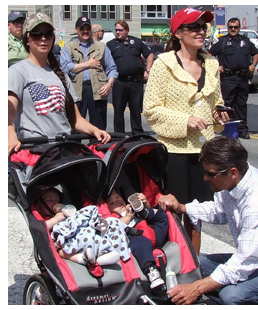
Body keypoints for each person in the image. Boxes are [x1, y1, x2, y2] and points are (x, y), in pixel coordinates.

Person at [143, 7, 230, 255]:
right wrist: (185, 120)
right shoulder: (164, 64)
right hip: (175, 151)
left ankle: (195, 266)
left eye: (203, 27)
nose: (201, 31)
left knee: (197, 214)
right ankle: (174, 265)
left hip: (205, 151)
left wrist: (219, 114)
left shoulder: (211, 63)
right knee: (173, 212)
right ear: (179, 33)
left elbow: (216, 103)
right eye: (194, 27)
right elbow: (151, 110)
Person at [158, 136, 258, 305]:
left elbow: (245, 261)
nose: (205, 178)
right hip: (250, 257)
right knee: (192, 264)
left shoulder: (254, 202)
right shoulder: (233, 182)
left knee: (231, 295)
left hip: (250, 259)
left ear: (233, 172)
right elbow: (218, 211)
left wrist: (197, 288)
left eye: (210, 174)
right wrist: (182, 207)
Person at [8, 13, 111, 156]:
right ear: (27, 39)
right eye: (37, 34)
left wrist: (95, 130)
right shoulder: (17, 71)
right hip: (35, 153)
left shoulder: (60, 74)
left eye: (48, 34)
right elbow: (8, 113)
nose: (43, 39)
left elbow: (75, 119)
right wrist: (10, 136)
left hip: (64, 151)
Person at [35, 187, 130, 267]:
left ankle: (103, 252)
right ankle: (81, 258)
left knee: (94, 230)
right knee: (61, 250)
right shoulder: (43, 220)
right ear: (39, 207)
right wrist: (55, 220)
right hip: (59, 240)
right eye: (50, 200)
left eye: (57, 201)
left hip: (74, 233)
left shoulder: (63, 214)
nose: (55, 203)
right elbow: (40, 229)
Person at [60, 17, 118, 130]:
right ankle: (75, 148)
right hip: (76, 91)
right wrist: (88, 64)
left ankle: (96, 147)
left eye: (87, 28)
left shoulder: (101, 47)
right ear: (76, 29)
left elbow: (112, 68)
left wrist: (109, 84)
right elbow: (65, 67)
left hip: (97, 91)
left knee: (98, 126)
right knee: (74, 125)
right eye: (82, 28)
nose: (85, 31)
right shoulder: (69, 47)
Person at [106, 189, 169, 289]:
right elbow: (113, 227)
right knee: (139, 243)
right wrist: (127, 217)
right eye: (112, 203)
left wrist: (146, 204)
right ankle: (151, 271)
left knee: (163, 217)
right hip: (135, 238)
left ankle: (145, 212)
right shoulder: (112, 219)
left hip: (153, 234)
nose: (118, 202)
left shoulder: (130, 206)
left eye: (118, 197)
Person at [208, 17, 258, 140]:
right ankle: (227, 129)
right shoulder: (223, 41)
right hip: (228, 78)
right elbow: (209, 54)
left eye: (235, 27)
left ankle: (242, 130)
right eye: (231, 27)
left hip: (243, 77)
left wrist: (253, 65)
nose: (233, 29)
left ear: (239, 28)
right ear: (228, 28)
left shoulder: (245, 41)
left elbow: (256, 53)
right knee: (227, 105)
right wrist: (217, 65)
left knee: (241, 105)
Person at [107, 20, 154, 135]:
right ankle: (119, 135)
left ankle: (137, 133)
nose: (118, 32)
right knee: (118, 110)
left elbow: (150, 55)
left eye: (120, 30)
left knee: (136, 109)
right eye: (116, 30)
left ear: (126, 30)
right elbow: (105, 61)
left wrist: (147, 71)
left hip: (135, 81)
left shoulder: (136, 42)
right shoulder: (111, 44)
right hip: (120, 82)